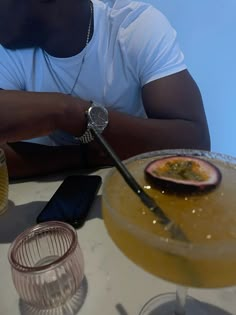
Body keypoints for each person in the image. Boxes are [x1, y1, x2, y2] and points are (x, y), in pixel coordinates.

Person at [0, 0, 210, 178]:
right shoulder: (9, 50)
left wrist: (71, 114)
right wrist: (82, 155)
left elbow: (195, 143)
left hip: (138, 184)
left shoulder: (133, 27)